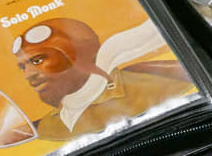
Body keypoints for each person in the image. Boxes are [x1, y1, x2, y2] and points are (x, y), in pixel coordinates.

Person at [12, 17, 196, 141]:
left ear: (79, 54)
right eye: (22, 67)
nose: (28, 75)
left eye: (38, 61)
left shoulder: (158, 83)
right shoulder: (50, 125)